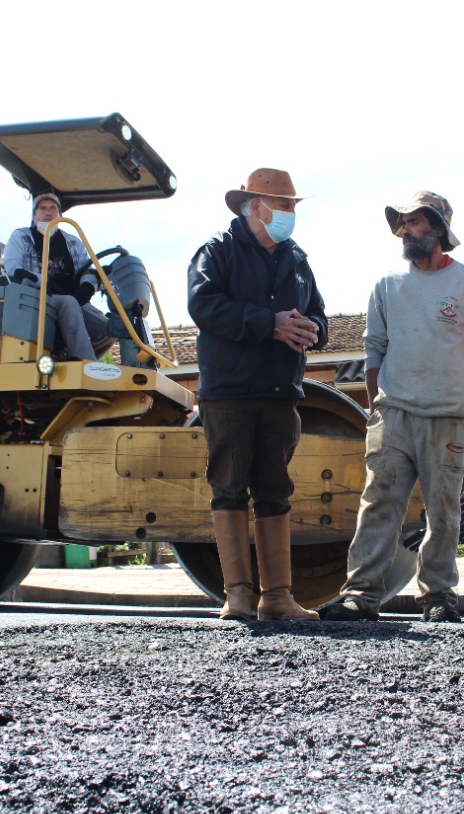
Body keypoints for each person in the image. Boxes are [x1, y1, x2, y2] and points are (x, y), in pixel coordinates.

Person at [321, 191, 464, 623]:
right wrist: (376, 405)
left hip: (446, 417)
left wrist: (457, 374)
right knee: (379, 502)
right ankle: (361, 595)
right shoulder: (387, 284)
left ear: (439, 229)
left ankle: (438, 596)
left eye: (415, 222)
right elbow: (374, 349)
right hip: (393, 414)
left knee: (444, 509)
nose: (405, 229)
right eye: (401, 222)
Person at [187, 168, 327, 621]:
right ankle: (239, 595)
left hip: (280, 391)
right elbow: (203, 306)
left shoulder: (298, 258)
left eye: (291, 206)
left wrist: (313, 331)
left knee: (275, 489)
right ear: (255, 205)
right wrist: (270, 323)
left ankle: (278, 597)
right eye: (285, 204)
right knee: (228, 486)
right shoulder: (216, 251)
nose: (290, 213)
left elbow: (319, 315)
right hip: (229, 392)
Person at [3, 192, 112, 361]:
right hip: (35, 298)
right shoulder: (21, 237)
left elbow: (86, 269)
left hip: (74, 299)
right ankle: (86, 364)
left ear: (60, 215)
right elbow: (12, 267)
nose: (48, 212)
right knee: (68, 302)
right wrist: (41, 280)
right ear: (34, 215)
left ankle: (72, 359)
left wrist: (89, 286)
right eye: (43, 208)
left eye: (53, 208)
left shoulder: (73, 242)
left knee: (109, 329)